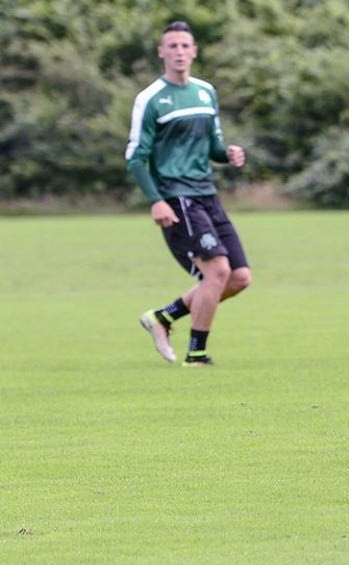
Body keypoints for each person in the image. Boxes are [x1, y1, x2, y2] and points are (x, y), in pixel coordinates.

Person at [126, 21, 251, 367]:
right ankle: (197, 355)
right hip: (176, 197)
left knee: (239, 278)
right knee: (217, 271)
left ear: (194, 51)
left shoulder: (206, 92)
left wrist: (228, 154)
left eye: (185, 46)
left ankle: (163, 317)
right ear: (161, 52)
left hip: (207, 193)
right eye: (172, 46)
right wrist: (156, 200)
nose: (179, 52)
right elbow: (135, 157)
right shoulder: (150, 99)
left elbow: (213, 146)